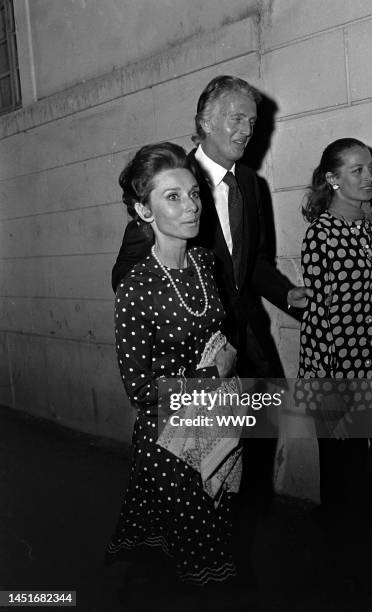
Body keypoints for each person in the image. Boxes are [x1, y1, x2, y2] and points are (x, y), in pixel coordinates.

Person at [112, 75, 311, 378]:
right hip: (195, 351)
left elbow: (249, 263)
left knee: (270, 421)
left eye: (252, 121)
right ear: (206, 122)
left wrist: (285, 293)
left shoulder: (249, 183)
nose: (247, 131)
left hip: (249, 335)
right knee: (208, 426)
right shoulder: (173, 181)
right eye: (237, 119)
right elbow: (125, 276)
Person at [106, 142, 240, 588]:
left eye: (193, 193)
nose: (191, 206)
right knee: (204, 563)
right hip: (168, 436)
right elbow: (140, 390)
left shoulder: (204, 262)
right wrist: (212, 374)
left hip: (215, 423)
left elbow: (213, 332)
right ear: (144, 212)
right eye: (172, 197)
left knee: (218, 531)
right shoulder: (136, 288)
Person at [298, 138, 372, 536]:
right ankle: (341, 552)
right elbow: (320, 315)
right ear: (333, 179)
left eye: (371, 169)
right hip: (334, 368)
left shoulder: (370, 225)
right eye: (357, 170)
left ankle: (336, 516)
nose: (369, 177)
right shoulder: (321, 235)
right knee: (341, 467)